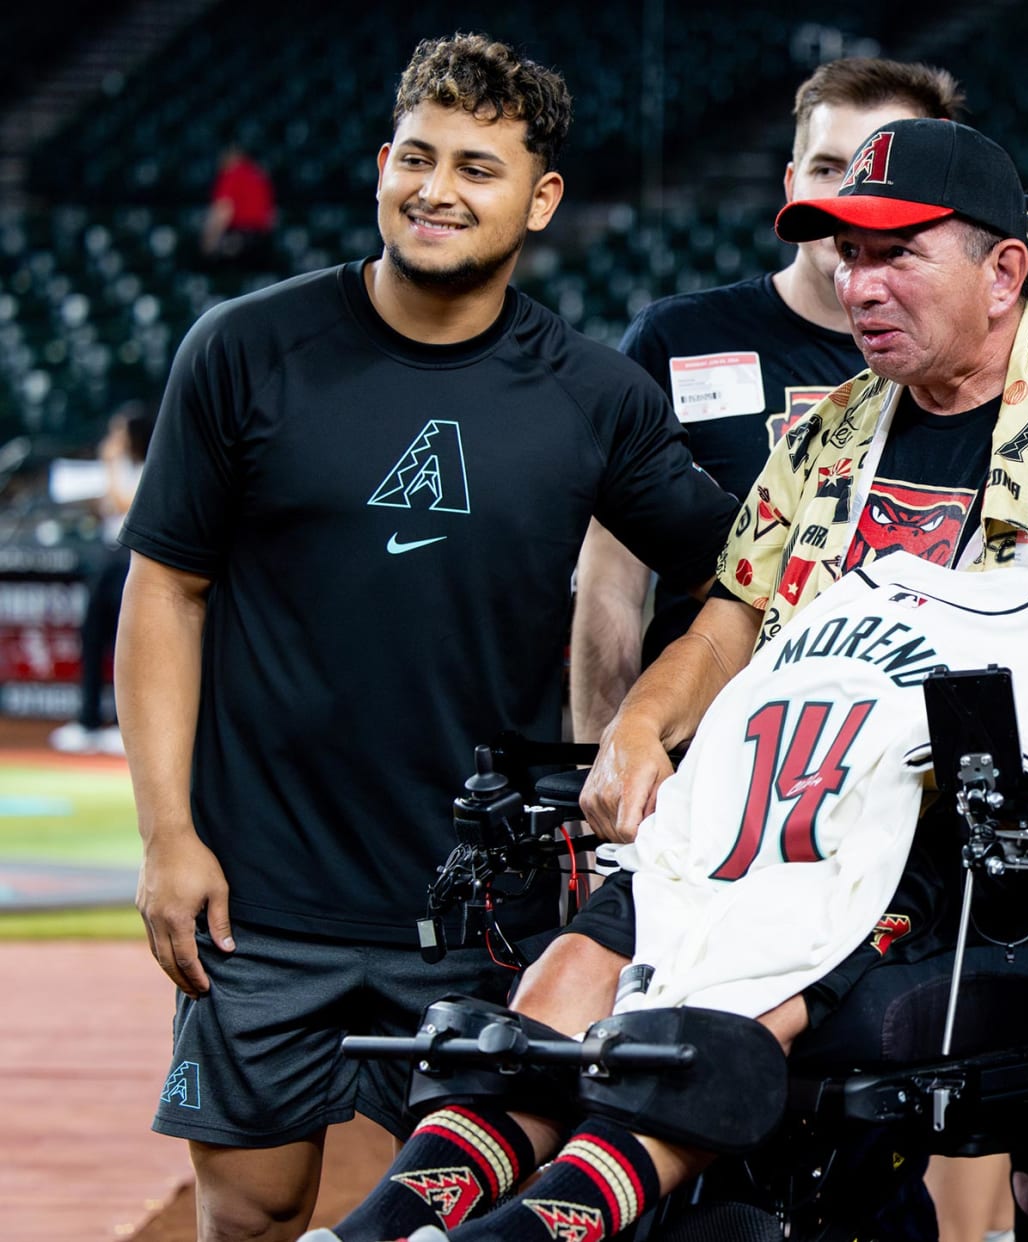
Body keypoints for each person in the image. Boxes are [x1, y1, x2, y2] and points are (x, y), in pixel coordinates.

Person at [315, 117, 1028, 1242]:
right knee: (571, 967)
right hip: (766, 799)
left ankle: (543, 1228)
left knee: (729, 1000)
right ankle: (391, 1224)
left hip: (955, 848)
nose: (858, 282)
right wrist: (640, 725)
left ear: (1004, 272)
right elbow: (733, 612)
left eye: (897, 254)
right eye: (846, 251)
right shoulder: (828, 432)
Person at [118, 34, 740, 1242]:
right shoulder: (245, 349)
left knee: (461, 1215)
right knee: (248, 1214)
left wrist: (651, 719)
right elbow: (166, 593)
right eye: (417, 156)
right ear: (380, 165)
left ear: (541, 198)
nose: (437, 188)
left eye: (478, 166)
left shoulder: (593, 395)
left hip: (476, 912)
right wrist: (167, 835)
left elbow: (742, 577)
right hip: (259, 894)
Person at [570, 57, 964, 740]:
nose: (848, 198)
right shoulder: (674, 337)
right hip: (697, 757)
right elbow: (612, 582)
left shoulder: (969, 366)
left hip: (900, 770)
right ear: (790, 183)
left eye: (880, 175)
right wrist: (596, 765)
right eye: (827, 168)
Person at [52, 403, 152, 756]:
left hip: (132, 560)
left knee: (129, 644)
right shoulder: (119, 468)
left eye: (119, 431)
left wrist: (109, 466)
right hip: (107, 556)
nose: (114, 439)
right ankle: (89, 721)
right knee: (92, 639)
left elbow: (129, 507)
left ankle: (125, 727)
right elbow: (108, 508)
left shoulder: (151, 468)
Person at [200, 145, 276, 267]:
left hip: (240, 239)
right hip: (262, 240)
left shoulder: (233, 174)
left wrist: (210, 240)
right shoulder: (260, 175)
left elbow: (224, 209)